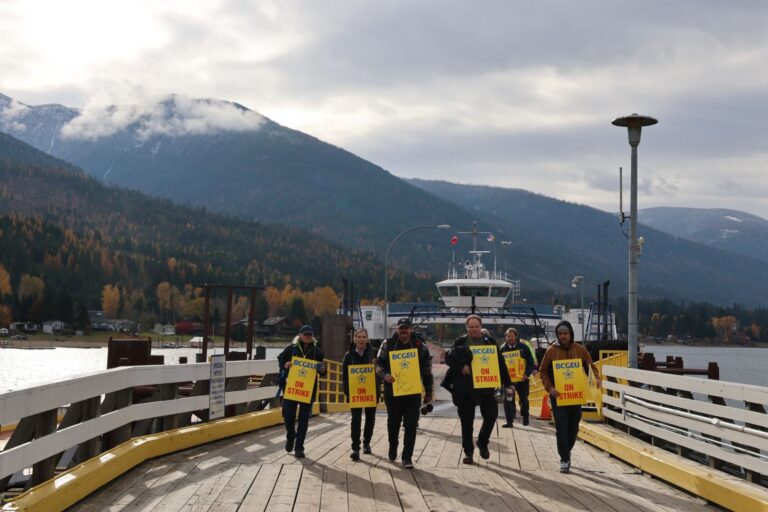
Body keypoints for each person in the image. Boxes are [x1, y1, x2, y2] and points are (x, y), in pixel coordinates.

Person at [446, 314, 512, 465]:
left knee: (491, 415)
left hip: (487, 386)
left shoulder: (490, 342)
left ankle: (482, 442)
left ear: (480, 327)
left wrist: (508, 383)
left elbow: (501, 363)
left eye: (476, 326)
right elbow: (449, 359)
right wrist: (461, 367)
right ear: (467, 328)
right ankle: (468, 452)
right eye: (471, 326)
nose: (474, 329)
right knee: (467, 422)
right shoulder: (460, 342)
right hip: (466, 387)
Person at [539, 320, 601, 473]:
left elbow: (591, 367)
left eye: (565, 333)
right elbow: (543, 371)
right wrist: (550, 388)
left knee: (573, 427)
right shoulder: (551, 351)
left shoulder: (580, 350)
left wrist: (597, 379)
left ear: (570, 334)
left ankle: (566, 450)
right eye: (560, 334)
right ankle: (564, 458)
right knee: (562, 427)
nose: (563, 336)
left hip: (576, 396)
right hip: (558, 396)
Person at [376, 318, 433, 469]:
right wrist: (384, 375)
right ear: (397, 329)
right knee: (393, 423)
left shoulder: (421, 347)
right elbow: (378, 364)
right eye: (401, 328)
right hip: (392, 391)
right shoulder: (387, 344)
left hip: (413, 392)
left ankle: (407, 457)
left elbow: (427, 370)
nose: (404, 331)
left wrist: (429, 391)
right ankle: (393, 447)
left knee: (411, 424)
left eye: (406, 328)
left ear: (411, 330)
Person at [277, 324, 327, 459]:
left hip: (308, 390)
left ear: (312, 337)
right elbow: (280, 358)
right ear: (299, 335)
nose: (307, 337)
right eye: (305, 334)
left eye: (310, 335)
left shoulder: (318, 352)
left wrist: (322, 369)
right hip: (291, 388)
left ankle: (299, 448)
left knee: (304, 420)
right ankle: (290, 436)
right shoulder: (291, 349)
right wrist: (285, 364)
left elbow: (323, 372)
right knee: (288, 416)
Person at [342, 328, 377, 461]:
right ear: (354, 339)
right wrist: (347, 392)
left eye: (364, 337)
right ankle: (355, 448)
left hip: (371, 392)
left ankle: (366, 442)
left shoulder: (373, 354)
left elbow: (380, 370)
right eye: (359, 337)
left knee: (370, 418)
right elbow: (344, 376)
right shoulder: (348, 355)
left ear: (367, 339)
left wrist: (376, 367)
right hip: (356, 393)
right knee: (355, 419)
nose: (361, 339)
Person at [499, 327, 535, 427]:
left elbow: (530, 362)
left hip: (522, 379)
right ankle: (509, 421)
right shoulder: (502, 349)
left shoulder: (524, 347)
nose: (510, 338)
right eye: (508, 336)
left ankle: (525, 416)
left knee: (524, 400)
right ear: (505, 337)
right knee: (508, 401)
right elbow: (499, 365)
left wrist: (527, 374)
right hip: (509, 381)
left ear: (516, 336)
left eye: (512, 336)